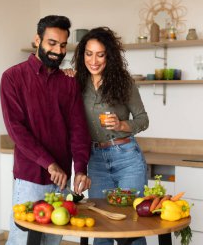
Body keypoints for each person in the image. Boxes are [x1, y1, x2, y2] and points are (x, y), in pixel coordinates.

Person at [0, 15, 91, 245]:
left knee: (52, 242)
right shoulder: (12, 77)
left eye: (62, 45)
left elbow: (79, 130)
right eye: (52, 43)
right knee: (22, 241)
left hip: (61, 182)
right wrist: (49, 164)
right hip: (30, 178)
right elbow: (16, 130)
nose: (58, 51)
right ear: (37, 40)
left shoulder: (69, 82)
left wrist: (80, 168)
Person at [71, 27, 149, 245]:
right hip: (95, 160)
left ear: (109, 56)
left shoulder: (123, 82)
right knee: (100, 225)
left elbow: (143, 119)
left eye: (100, 54)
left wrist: (122, 124)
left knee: (130, 227)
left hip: (126, 156)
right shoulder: (76, 83)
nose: (93, 60)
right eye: (88, 53)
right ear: (82, 55)